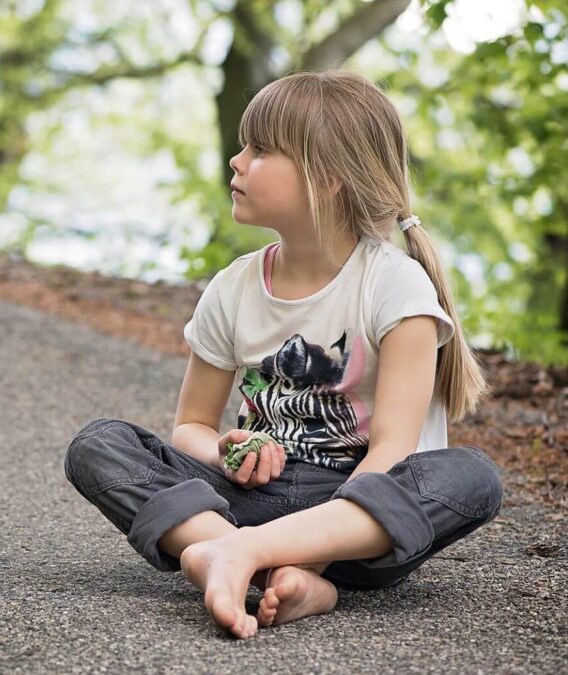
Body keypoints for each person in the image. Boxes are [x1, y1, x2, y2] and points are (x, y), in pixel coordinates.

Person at [64, 71, 502, 639]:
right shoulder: (234, 286)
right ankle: (245, 559)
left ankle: (229, 556)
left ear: (329, 178)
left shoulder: (395, 287)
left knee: (471, 477)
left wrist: (308, 556)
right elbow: (192, 425)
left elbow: (391, 453)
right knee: (99, 445)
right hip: (245, 500)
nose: (237, 162)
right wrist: (226, 451)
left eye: (261, 150)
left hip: (355, 527)